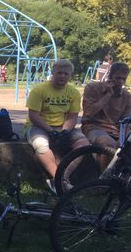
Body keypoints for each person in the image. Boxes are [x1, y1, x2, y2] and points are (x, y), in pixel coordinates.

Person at [24, 59, 91, 192]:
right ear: (53, 73)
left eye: (66, 74)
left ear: (70, 75)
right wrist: (50, 131)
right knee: (41, 145)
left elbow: (72, 116)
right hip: (39, 125)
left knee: (84, 144)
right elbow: (34, 116)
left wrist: (65, 131)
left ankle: (60, 179)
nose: (62, 76)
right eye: (59, 73)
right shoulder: (39, 90)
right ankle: (61, 182)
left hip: (63, 126)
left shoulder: (73, 92)